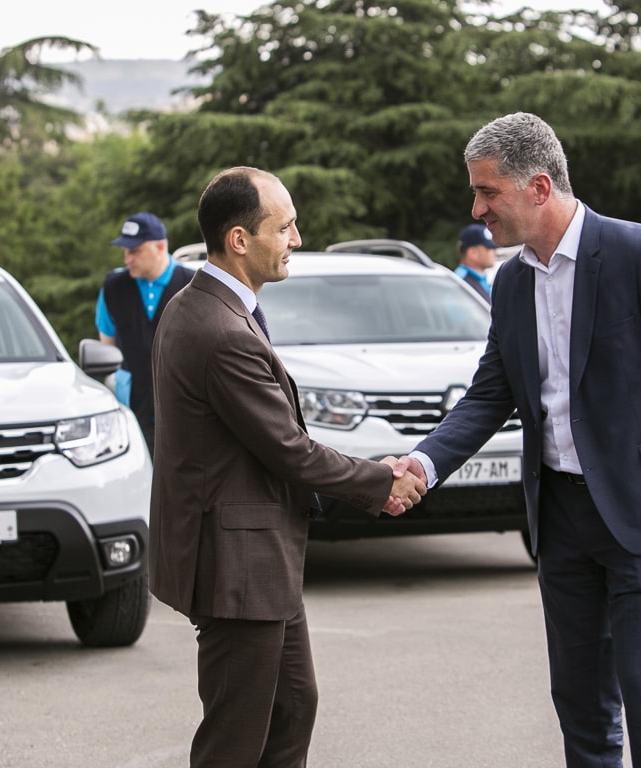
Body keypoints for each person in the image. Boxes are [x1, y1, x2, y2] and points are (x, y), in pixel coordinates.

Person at [397, 112, 641, 766]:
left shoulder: (640, 253)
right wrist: (422, 463)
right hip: (559, 518)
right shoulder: (510, 281)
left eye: (487, 192)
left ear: (538, 187)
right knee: (579, 699)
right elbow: (490, 392)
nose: (476, 211)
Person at [148, 166, 427, 768]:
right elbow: (289, 449)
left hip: (258, 560)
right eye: (285, 228)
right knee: (235, 737)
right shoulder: (220, 330)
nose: (297, 239)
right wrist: (380, 481)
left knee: (292, 708)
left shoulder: (204, 307)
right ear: (239, 239)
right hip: (237, 567)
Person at [96, 211, 192, 452]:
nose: (127, 259)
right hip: (131, 412)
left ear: (160, 247)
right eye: (125, 251)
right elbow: (107, 347)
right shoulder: (113, 287)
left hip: (184, 413)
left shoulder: (192, 285)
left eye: (135, 251)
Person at [455, 223, 497, 302]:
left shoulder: (480, 279)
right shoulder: (460, 282)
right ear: (473, 253)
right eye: (489, 248)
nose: (495, 253)